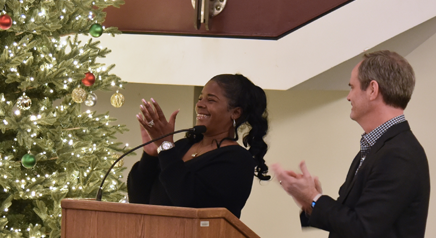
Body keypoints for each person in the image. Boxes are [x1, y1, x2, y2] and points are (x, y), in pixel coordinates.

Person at [272, 50, 430, 238]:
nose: (349, 97)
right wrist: (309, 201)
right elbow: (351, 218)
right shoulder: (379, 147)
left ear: (372, 90)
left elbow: (362, 229)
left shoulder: (398, 154)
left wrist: (313, 198)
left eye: (352, 87)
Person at [127, 74, 270, 218]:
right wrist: (150, 155)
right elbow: (138, 200)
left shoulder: (238, 159)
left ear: (235, 112)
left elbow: (190, 203)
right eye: (200, 98)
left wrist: (166, 148)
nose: (200, 104)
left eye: (211, 100)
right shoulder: (182, 146)